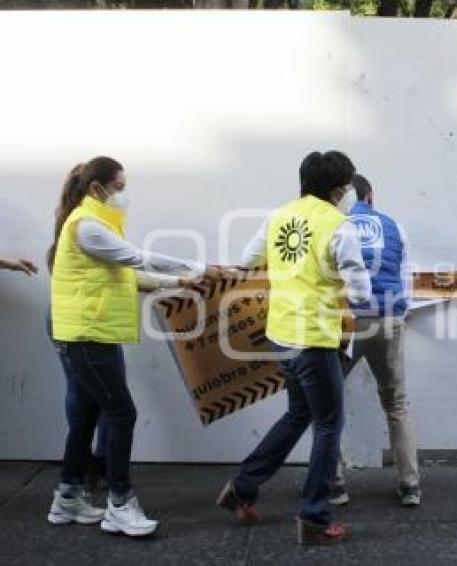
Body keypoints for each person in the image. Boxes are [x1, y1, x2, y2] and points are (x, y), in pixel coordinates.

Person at [47, 156, 214, 536]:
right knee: (122, 414)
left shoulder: (95, 223)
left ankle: (67, 499)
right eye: (119, 187)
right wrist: (198, 269)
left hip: (89, 334)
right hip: (89, 335)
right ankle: (119, 504)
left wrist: (181, 283)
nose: (124, 195)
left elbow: (128, 274)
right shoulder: (87, 226)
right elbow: (137, 258)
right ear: (97, 188)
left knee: (88, 416)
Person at [216, 150, 370, 545]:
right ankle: (315, 517)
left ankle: (243, 486)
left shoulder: (278, 215)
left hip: (280, 334)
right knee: (328, 424)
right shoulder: (339, 225)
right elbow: (359, 287)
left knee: (298, 414)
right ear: (338, 189)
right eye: (347, 186)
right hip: (314, 339)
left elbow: (249, 261)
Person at [328, 173, 421, 508]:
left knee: (327, 406)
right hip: (388, 319)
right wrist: (398, 313)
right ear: (371, 197)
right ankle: (410, 485)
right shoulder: (394, 224)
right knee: (397, 404)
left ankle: (335, 486)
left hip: (346, 323)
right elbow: (406, 278)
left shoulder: (333, 224)